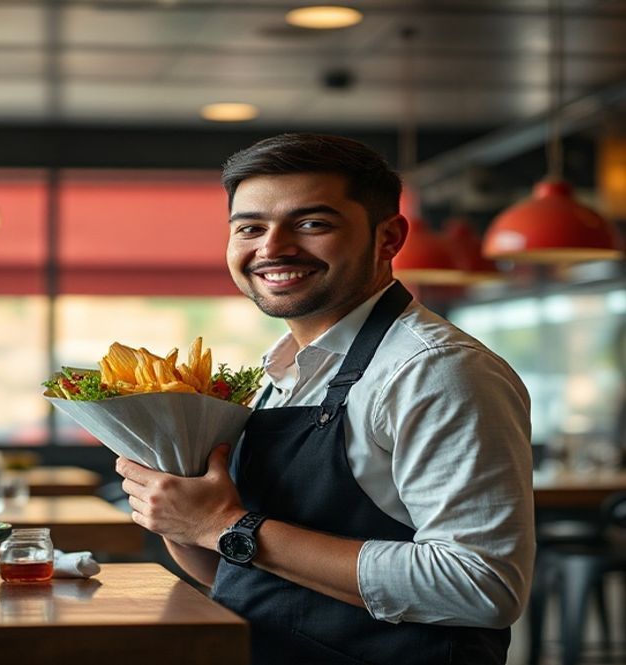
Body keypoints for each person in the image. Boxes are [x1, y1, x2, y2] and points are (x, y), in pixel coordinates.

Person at [115, 133, 534, 665]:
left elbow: (480, 587)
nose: (272, 248)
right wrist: (178, 513)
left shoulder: (436, 370)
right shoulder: (278, 371)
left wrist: (222, 524)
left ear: (388, 237)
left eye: (312, 224)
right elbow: (240, 571)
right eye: (250, 227)